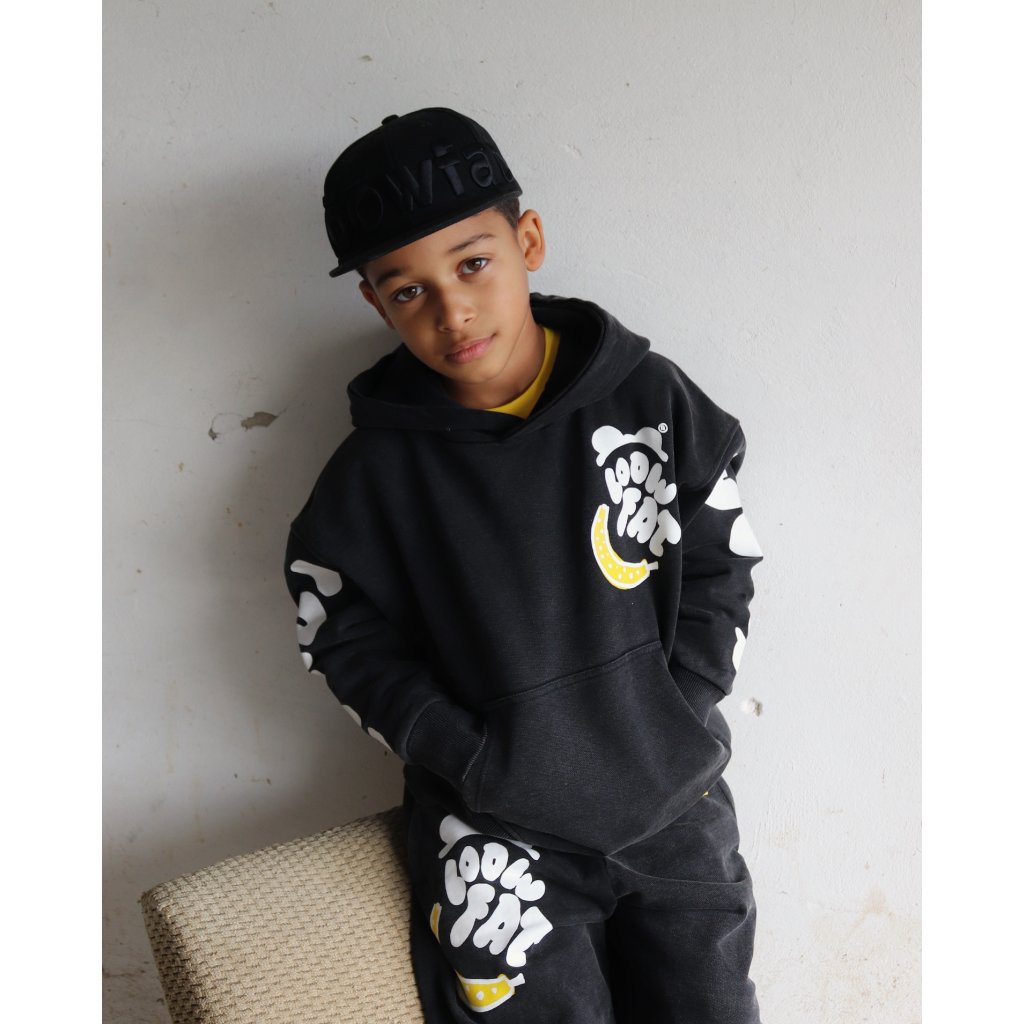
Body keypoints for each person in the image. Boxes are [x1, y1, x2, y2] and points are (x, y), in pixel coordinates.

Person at [284, 107, 764, 1023]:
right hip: (496, 841)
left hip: (674, 809)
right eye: (408, 290)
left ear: (528, 241)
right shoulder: (374, 476)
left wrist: (678, 703)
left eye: (472, 263)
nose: (452, 310)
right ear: (376, 304)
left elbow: (721, 554)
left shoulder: (649, 399)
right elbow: (336, 624)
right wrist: (463, 753)